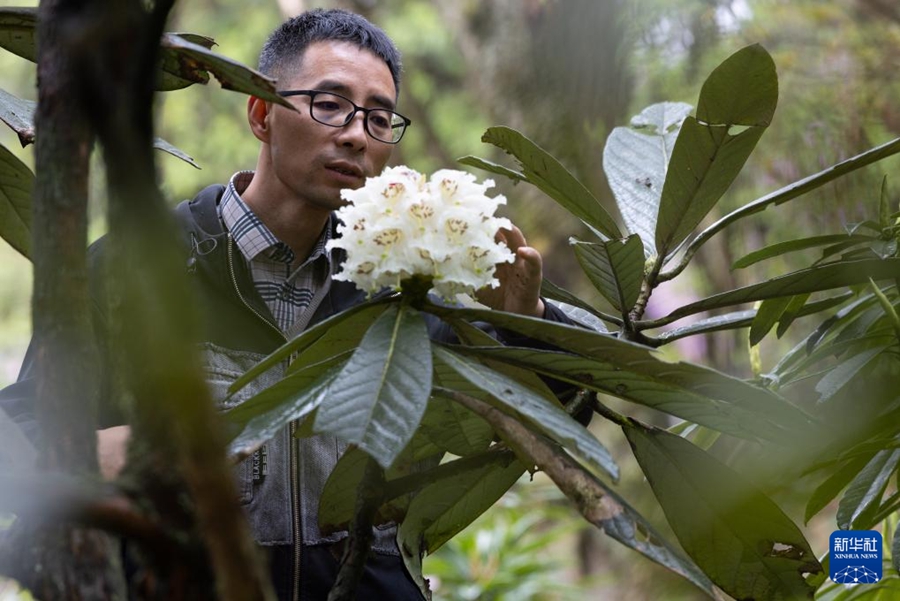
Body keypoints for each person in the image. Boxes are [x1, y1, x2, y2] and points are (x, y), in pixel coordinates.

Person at [0, 8, 576, 600]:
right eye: (329, 104)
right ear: (261, 114)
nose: (356, 135)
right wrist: (94, 453)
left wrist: (525, 323)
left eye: (379, 119)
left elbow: (549, 422)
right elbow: (15, 433)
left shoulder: (404, 280)